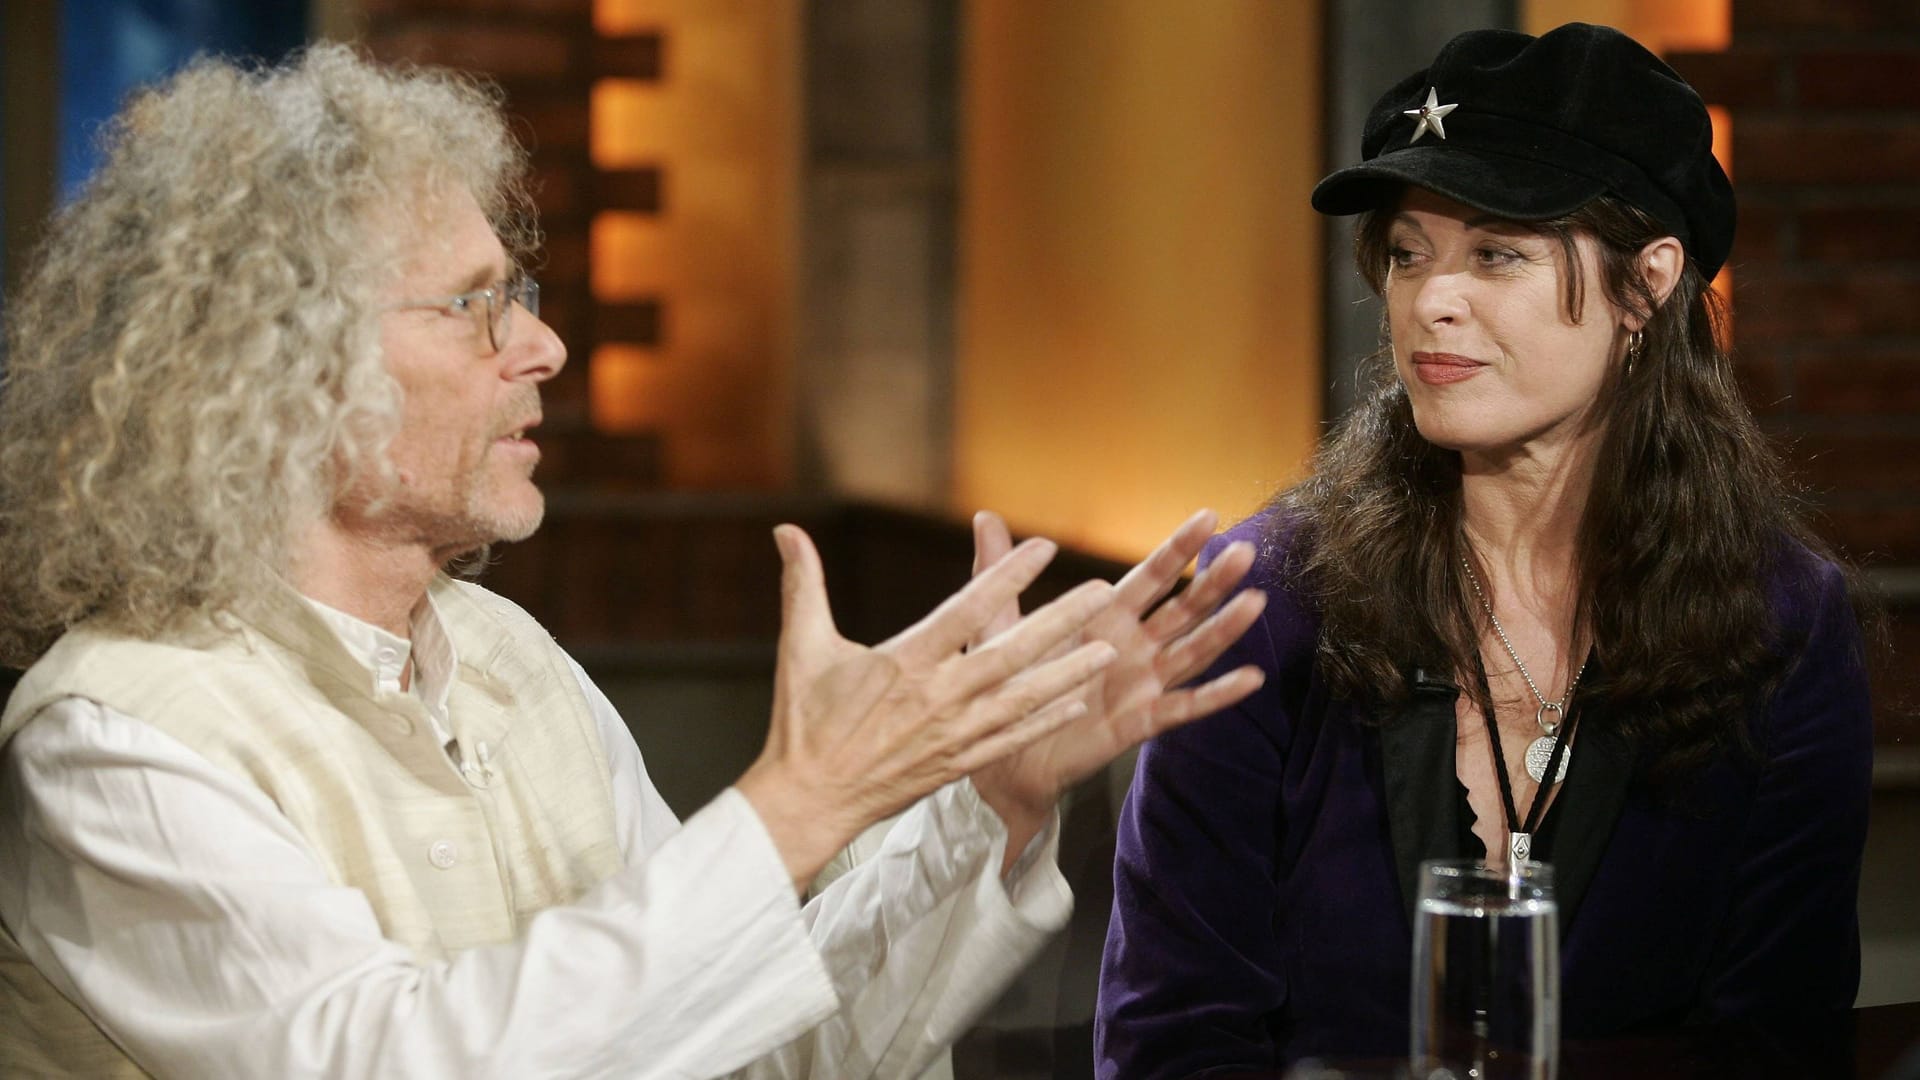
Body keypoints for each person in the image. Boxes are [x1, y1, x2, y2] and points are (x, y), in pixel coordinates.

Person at [0, 46, 1270, 1078]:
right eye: (474, 303)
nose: (541, 350)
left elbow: (762, 1051)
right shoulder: (113, 738)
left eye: (521, 293)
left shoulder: (511, 664)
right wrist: (799, 807)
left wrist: (986, 794)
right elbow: (388, 1062)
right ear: (284, 372)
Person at [1096, 22, 1875, 1076]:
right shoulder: (1265, 601)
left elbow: (1779, 1039)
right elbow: (1172, 1041)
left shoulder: (1780, 618)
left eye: (1496, 253)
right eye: (1409, 254)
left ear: (1644, 285)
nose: (1430, 301)